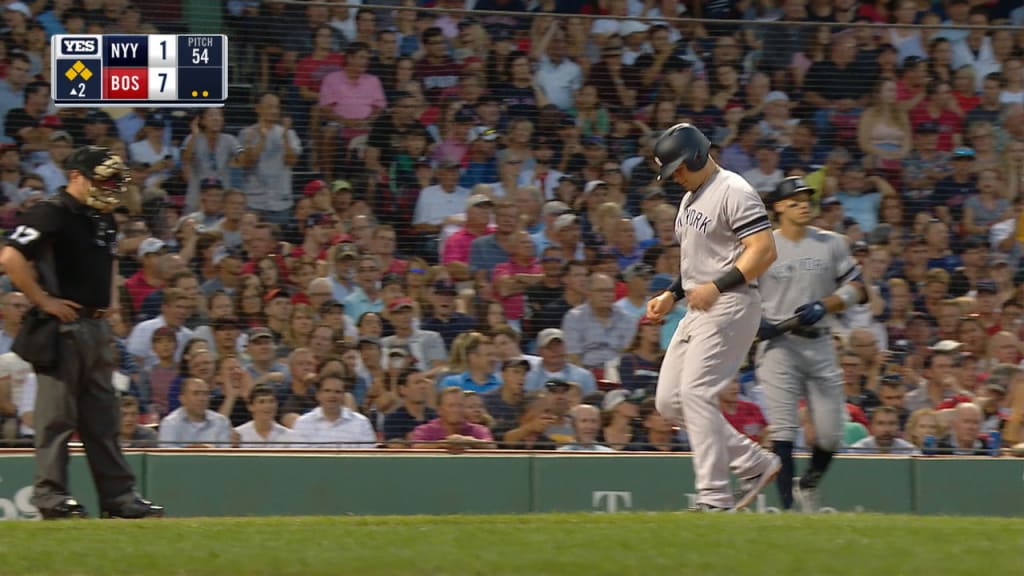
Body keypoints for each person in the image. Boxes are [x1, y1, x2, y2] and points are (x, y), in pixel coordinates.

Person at [0, 145, 163, 519]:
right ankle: (51, 499)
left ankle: (119, 499)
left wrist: (110, 304)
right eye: (102, 178)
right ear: (76, 176)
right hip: (61, 327)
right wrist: (42, 300)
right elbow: (9, 257)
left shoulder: (102, 217)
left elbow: (112, 254)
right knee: (56, 419)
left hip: (94, 326)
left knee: (103, 419)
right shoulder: (50, 211)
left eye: (112, 180)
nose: (110, 187)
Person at [645, 123, 780, 512]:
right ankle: (753, 462)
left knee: (696, 393)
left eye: (678, 170)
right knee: (670, 402)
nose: (675, 179)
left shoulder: (734, 191)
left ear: (697, 156)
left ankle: (714, 497)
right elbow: (697, 261)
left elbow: (764, 251)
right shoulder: (689, 200)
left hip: (732, 301)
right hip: (699, 304)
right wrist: (672, 294)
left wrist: (717, 286)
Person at [755, 176, 867, 513]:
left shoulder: (832, 243)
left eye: (807, 199)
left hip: (819, 342)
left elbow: (860, 289)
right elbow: (742, 293)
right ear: (778, 207)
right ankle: (787, 509)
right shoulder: (761, 246)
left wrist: (826, 305)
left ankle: (807, 484)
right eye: (795, 200)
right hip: (778, 346)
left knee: (832, 436)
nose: (804, 204)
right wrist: (754, 323)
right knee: (785, 430)